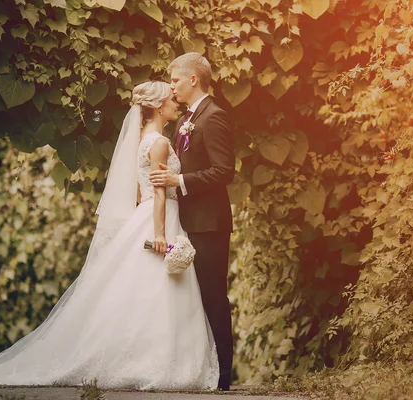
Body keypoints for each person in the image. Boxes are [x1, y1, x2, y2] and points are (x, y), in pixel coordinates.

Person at [0, 81, 219, 390]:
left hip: (153, 215)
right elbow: (155, 192)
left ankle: (145, 359)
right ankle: (156, 363)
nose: (176, 104)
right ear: (156, 106)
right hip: (159, 219)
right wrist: (158, 235)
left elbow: (141, 190)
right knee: (157, 290)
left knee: (144, 291)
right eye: (170, 99)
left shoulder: (144, 140)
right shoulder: (160, 143)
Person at [149, 53, 235, 391]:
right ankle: (205, 369)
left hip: (209, 222)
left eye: (175, 80)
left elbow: (223, 171)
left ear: (193, 80)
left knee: (214, 295)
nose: (172, 87)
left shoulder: (214, 117)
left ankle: (224, 376)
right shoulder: (189, 118)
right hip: (190, 220)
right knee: (196, 296)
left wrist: (179, 181)